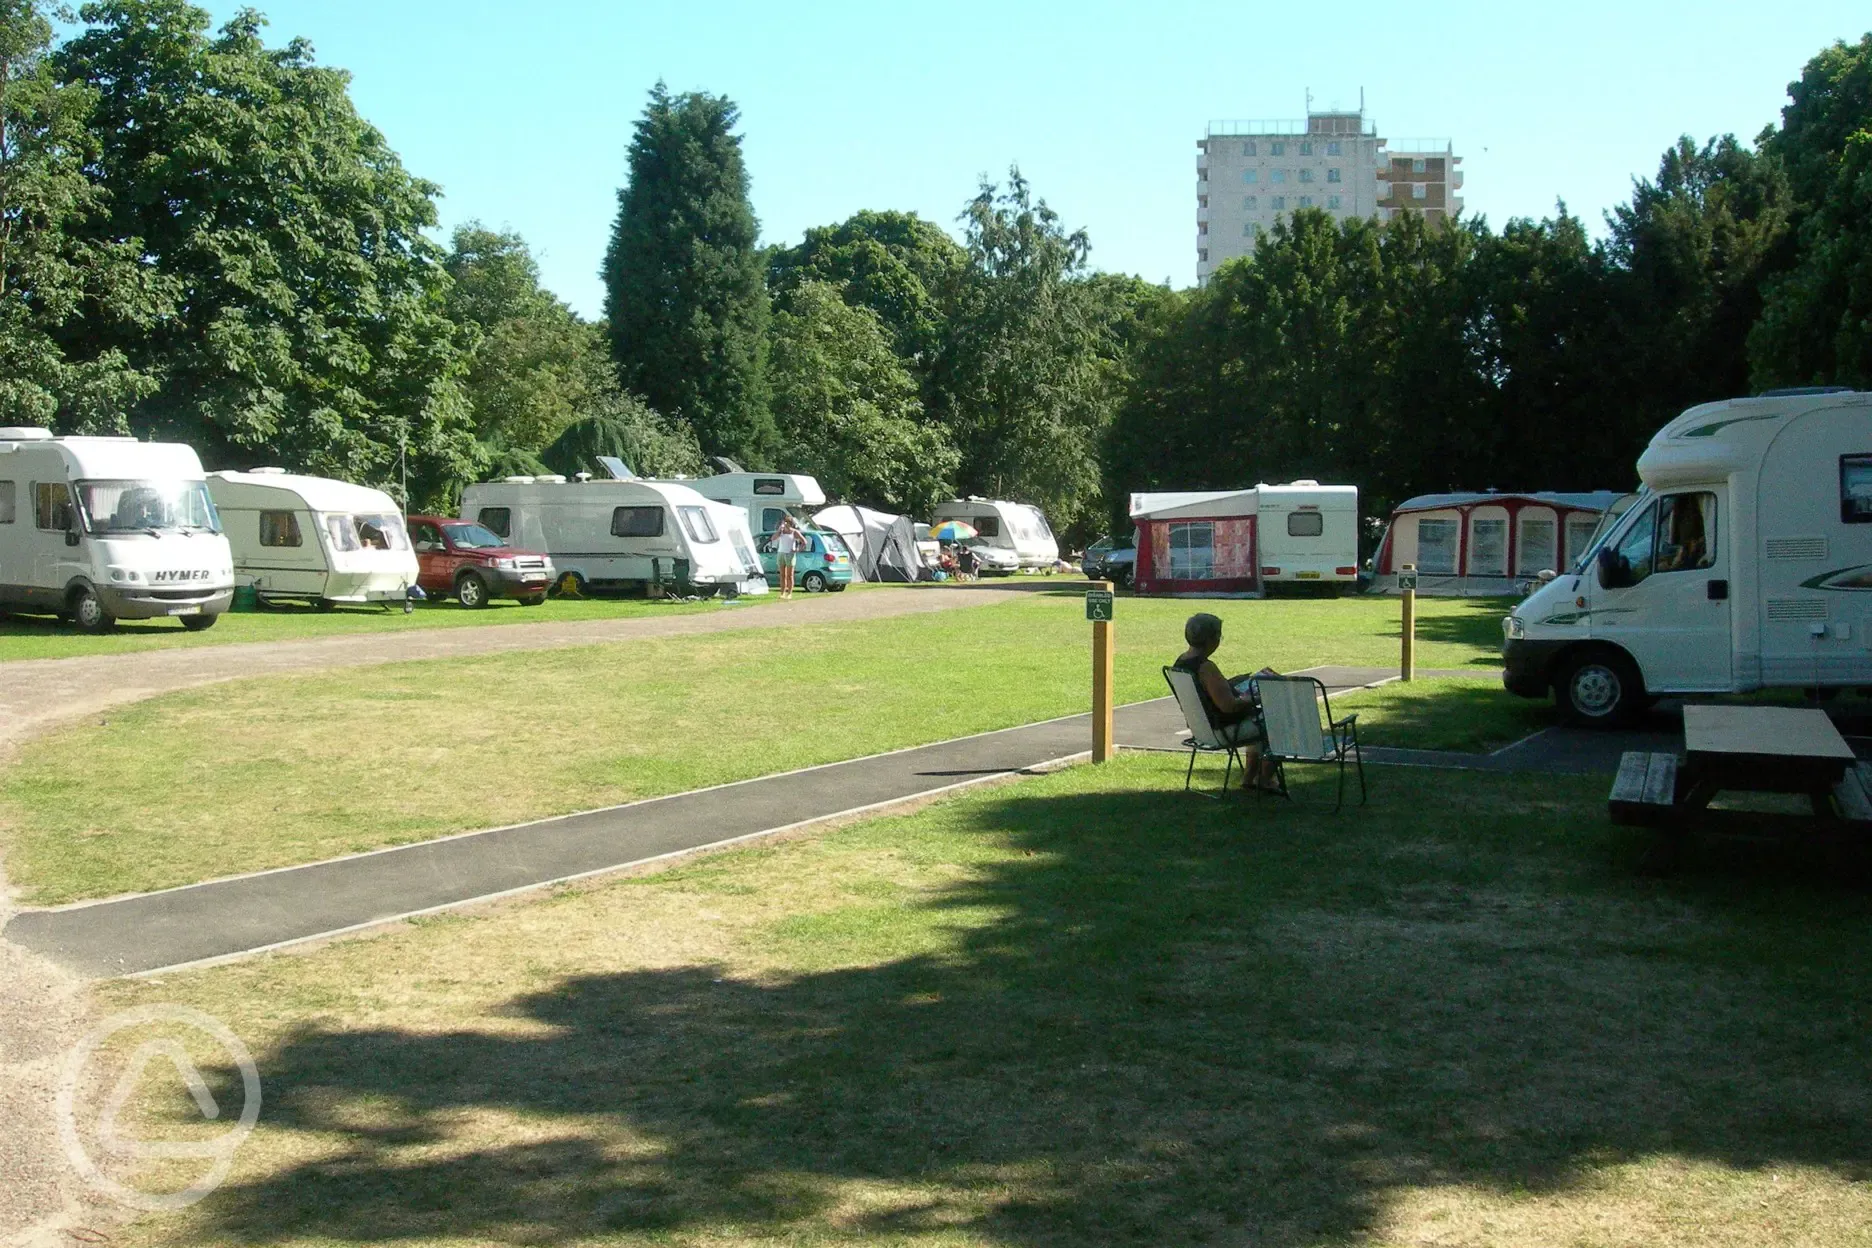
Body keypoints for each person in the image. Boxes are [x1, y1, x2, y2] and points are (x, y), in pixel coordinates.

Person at [1172, 612, 1280, 793]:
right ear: (1212, 639)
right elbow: (1229, 706)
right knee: (1278, 720)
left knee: (1260, 719)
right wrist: (1255, 697)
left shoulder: (1180, 663)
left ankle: (1249, 779)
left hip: (1202, 729)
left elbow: (1208, 694)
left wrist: (1229, 685)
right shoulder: (1206, 667)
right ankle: (1265, 779)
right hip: (1222, 731)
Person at [773, 515, 806, 599]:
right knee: (782, 575)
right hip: (781, 553)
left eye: (787, 522)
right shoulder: (781, 532)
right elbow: (773, 538)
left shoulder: (794, 532)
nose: (785, 524)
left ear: (790, 523)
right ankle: (782, 593)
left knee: (789, 575)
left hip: (789, 554)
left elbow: (804, 542)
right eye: (784, 522)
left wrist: (797, 550)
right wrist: (779, 530)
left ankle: (789, 593)